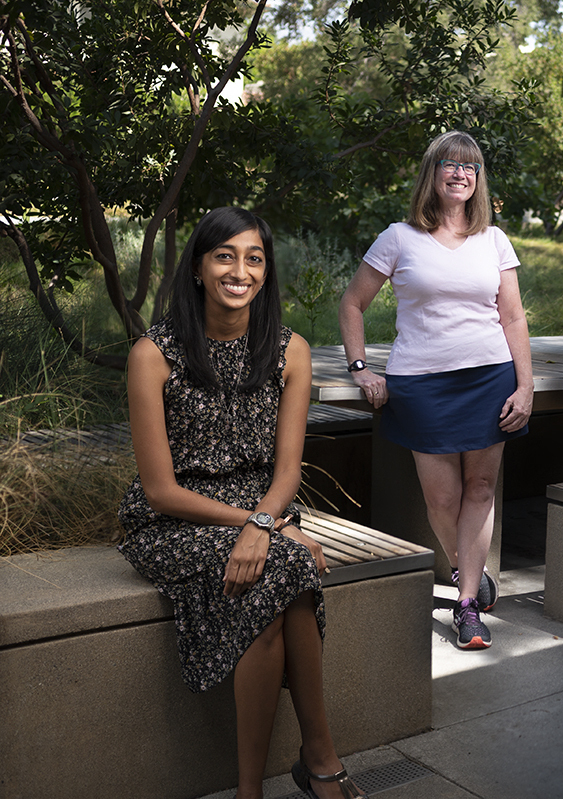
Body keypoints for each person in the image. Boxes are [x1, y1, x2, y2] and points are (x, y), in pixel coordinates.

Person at [119, 207, 363, 799]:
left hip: (266, 505)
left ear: (266, 271)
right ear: (199, 269)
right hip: (174, 519)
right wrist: (263, 527)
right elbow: (161, 490)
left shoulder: (289, 351)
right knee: (291, 565)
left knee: (280, 575)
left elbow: (286, 471)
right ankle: (320, 763)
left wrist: (267, 523)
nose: (240, 270)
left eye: (254, 258)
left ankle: (259, 787)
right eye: (225, 256)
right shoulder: (155, 354)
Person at [338, 130, 532, 650]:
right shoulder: (399, 237)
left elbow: (512, 316)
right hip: (420, 383)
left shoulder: (494, 240)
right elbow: (352, 303)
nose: (459, 173)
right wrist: (360, 367)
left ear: (478, 179)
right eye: (449, 163)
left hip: (490, 378)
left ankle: (466, 604)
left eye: (469, 166)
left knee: (482, 490)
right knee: (443, 498)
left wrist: (526, 385)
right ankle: (463, 567)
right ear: (433, 173)